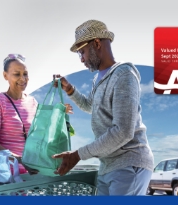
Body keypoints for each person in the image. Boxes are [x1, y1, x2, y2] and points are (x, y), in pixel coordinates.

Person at [52, 20, 154, 195]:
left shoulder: (124, 74)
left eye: (81, 52)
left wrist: (78, 155)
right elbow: (90, 106)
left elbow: (123, 131)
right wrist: (69, 88)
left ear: (97, 43)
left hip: (129, 164)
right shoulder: (97, 79)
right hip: (107, 166)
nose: (82, 59)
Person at [0, 54, 73, 175]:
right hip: (7, 175)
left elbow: (43, 134)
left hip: (33, 173)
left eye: (25, 74)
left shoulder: (33, 102)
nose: (22, 78)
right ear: (5, 75)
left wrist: (59, 112)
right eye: (17, 74)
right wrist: (21, 161)